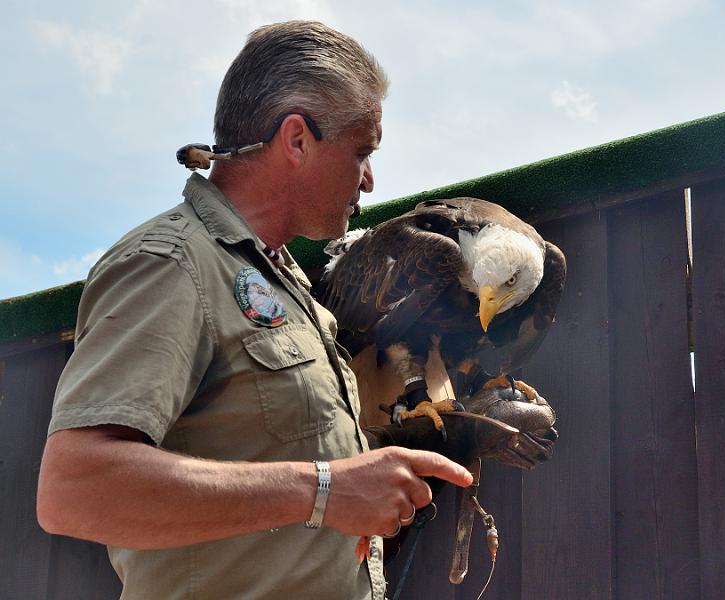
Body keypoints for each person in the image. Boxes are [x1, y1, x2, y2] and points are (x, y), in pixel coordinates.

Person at [36, 20, 472, 600]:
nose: (370, 179)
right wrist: (322, 490)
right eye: (362, 151)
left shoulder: (280, 279)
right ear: (297, 140)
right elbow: (74, 489)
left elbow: (276, 464)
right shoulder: (173, 263)